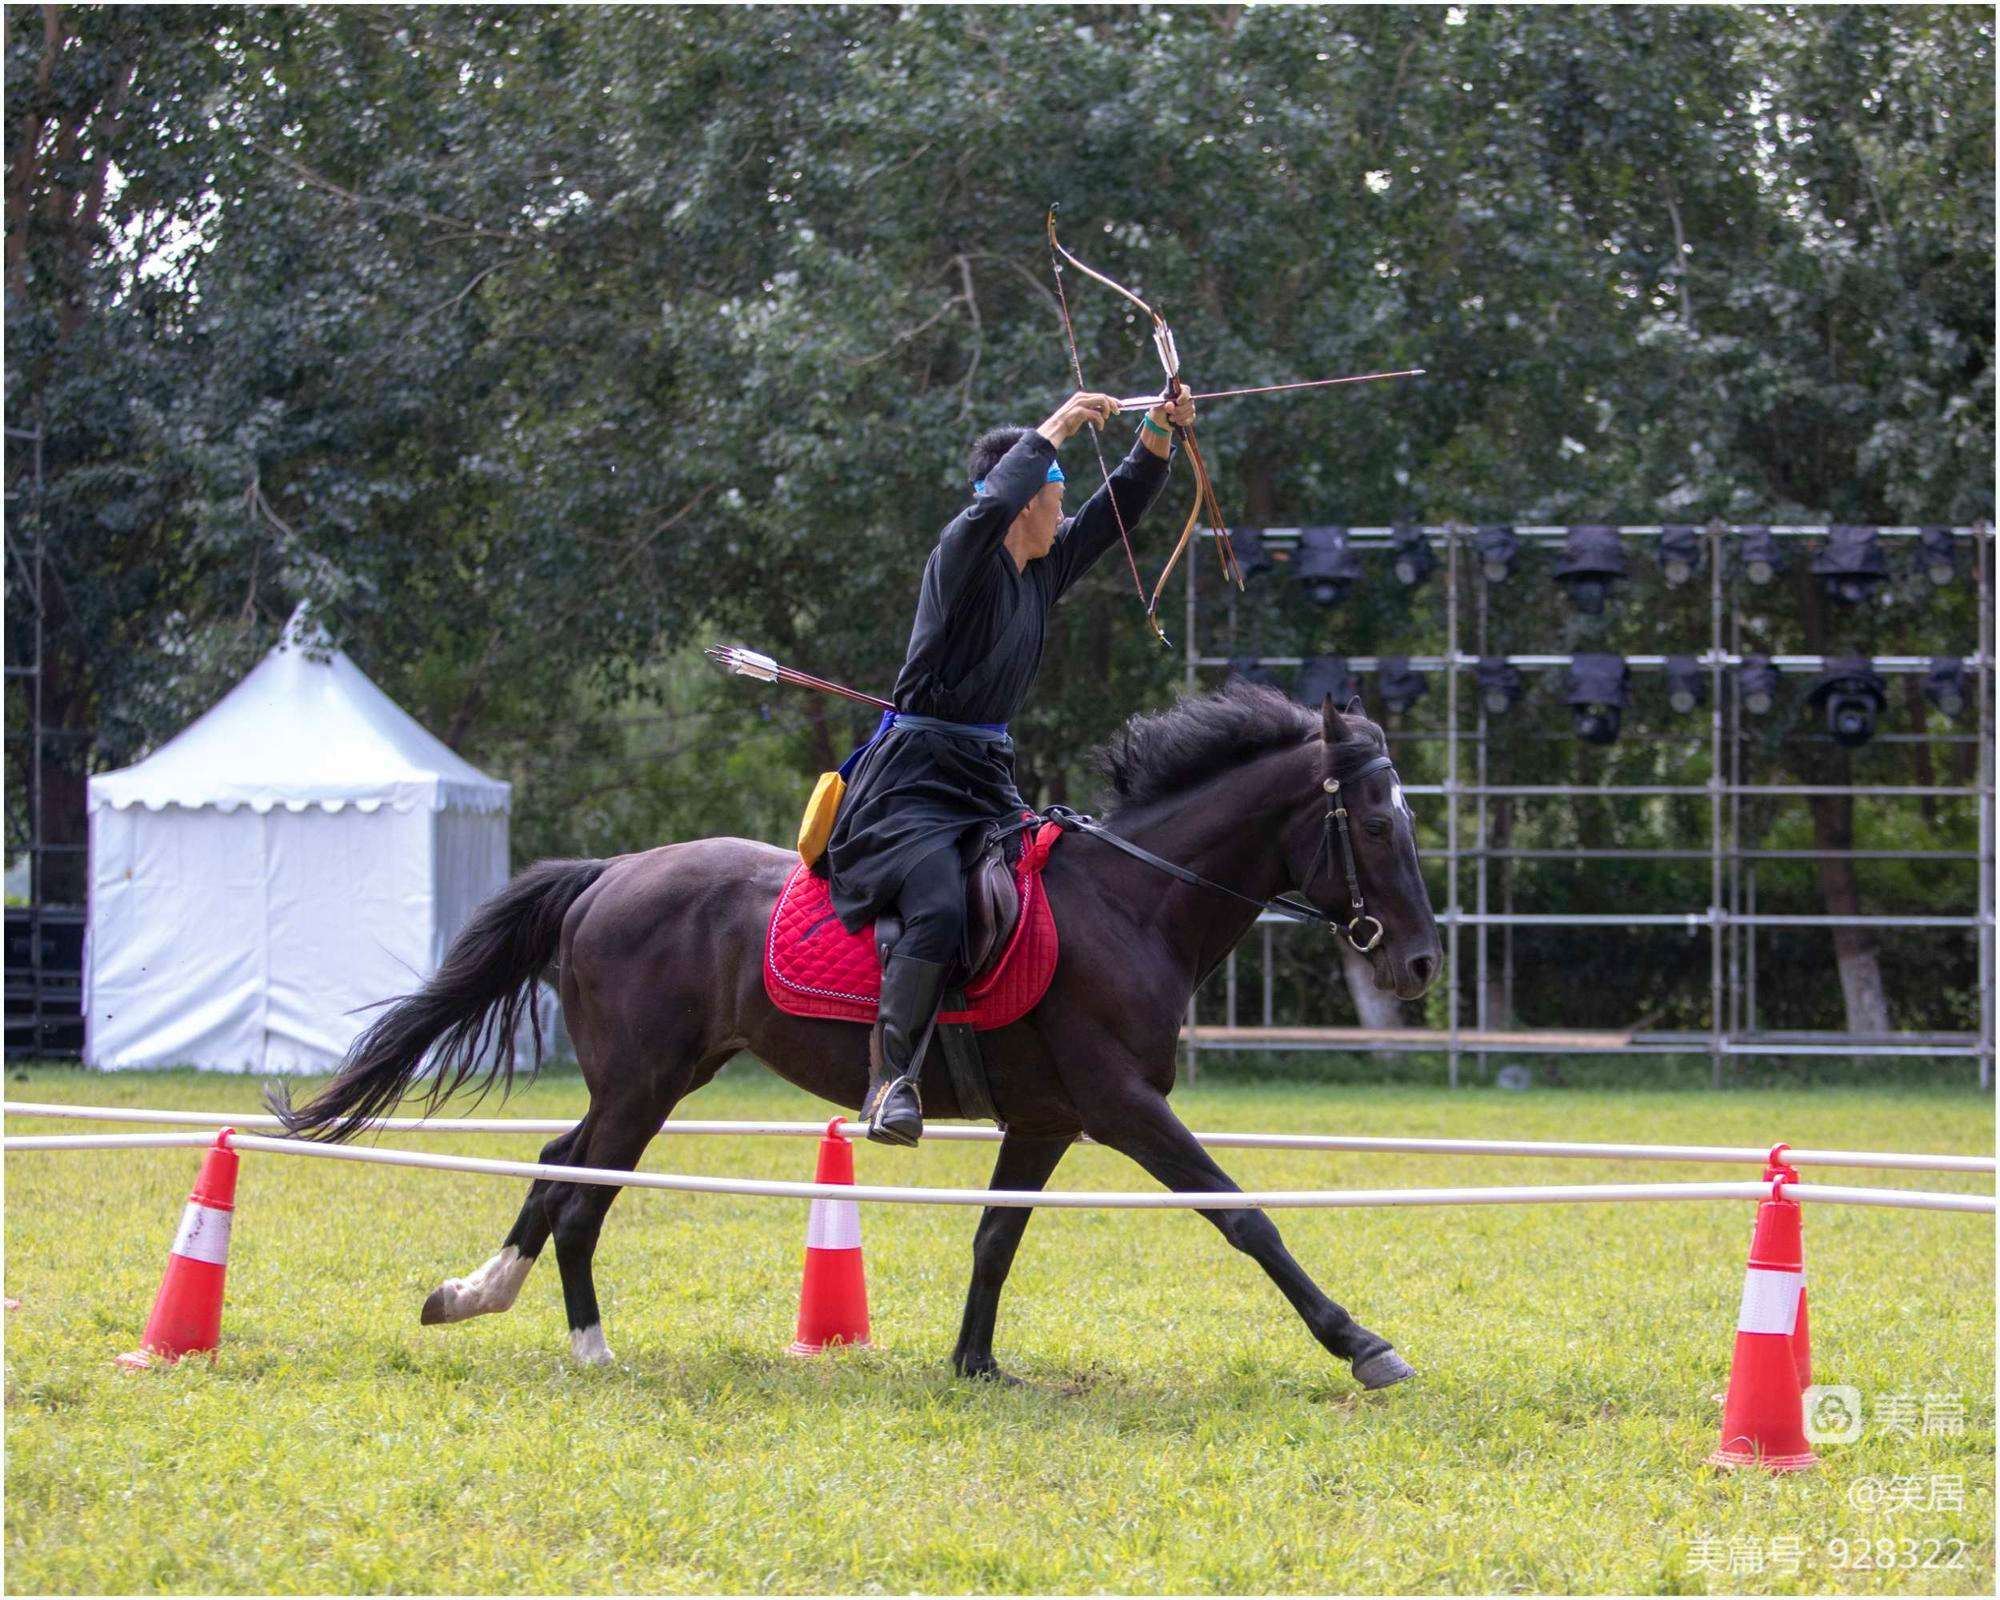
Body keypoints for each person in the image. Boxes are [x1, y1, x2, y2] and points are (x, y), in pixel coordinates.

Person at [826, 380, 1197, 1145]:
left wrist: (1160, 429)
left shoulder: (1041, 571)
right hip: (911, 786)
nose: (1066, 507)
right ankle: (890, 1080)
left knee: (1054, 893)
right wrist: (1057, 425)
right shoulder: (962, 558)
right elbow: (986, 510)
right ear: (1028, 497)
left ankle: (1032, 1063)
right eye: (1057, 492)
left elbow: (1114, 513)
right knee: (937, 901)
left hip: (986, 780)